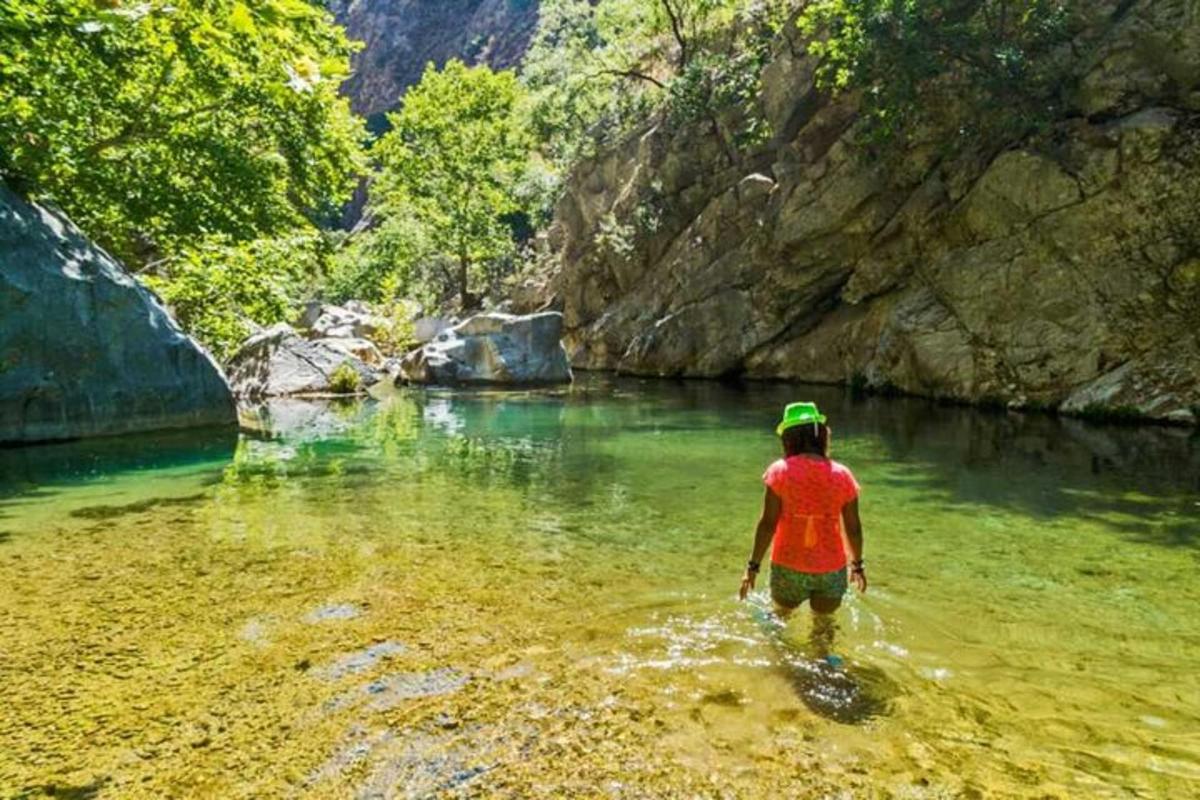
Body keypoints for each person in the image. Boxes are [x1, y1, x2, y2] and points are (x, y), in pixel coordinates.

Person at [738, 402, 866, 648]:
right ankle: (825, 668)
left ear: (788, 439)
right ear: (822, 436)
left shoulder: (780, 472)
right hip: (830, 570)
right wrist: (858, 566)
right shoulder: (843, 475)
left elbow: (767, 524)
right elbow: (854, 528)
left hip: (789, 566)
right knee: (824, 629)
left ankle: (782, 675)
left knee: (779, 624)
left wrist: (752, 567)